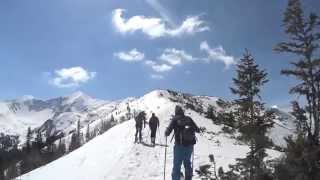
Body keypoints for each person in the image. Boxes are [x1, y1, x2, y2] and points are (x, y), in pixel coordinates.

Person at [165, 106, 200, 180]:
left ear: (176, 112)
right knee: (187, 163)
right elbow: (197, 129)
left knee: (177, 165)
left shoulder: (175, 119)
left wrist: (166, 132)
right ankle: (188, 178)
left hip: (179, 146)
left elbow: (168, 132)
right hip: (189, 146)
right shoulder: (188, 118)